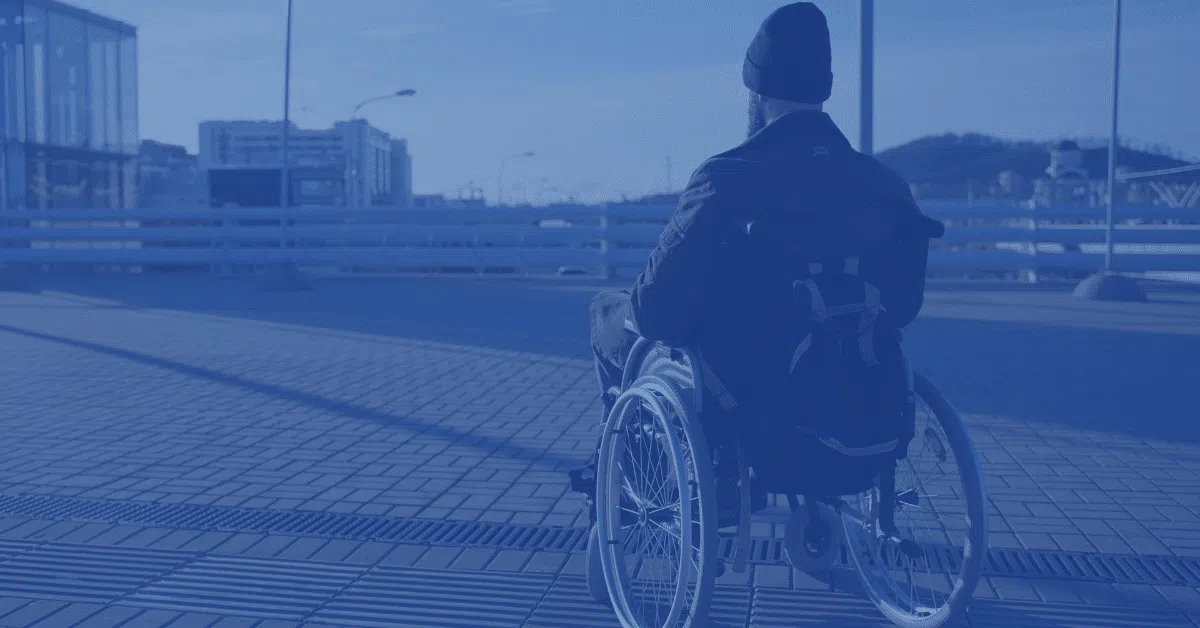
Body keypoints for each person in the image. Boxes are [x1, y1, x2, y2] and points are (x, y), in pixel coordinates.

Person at [574, 2, 940, 508]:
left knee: (608, 316)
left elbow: (658, 311)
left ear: (757, 93)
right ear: (823, 88)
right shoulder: (885, 186)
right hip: (851, 382)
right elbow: (901, 307)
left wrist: (631, 309)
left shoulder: (726, 178)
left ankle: (631, 483)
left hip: (739, 388)